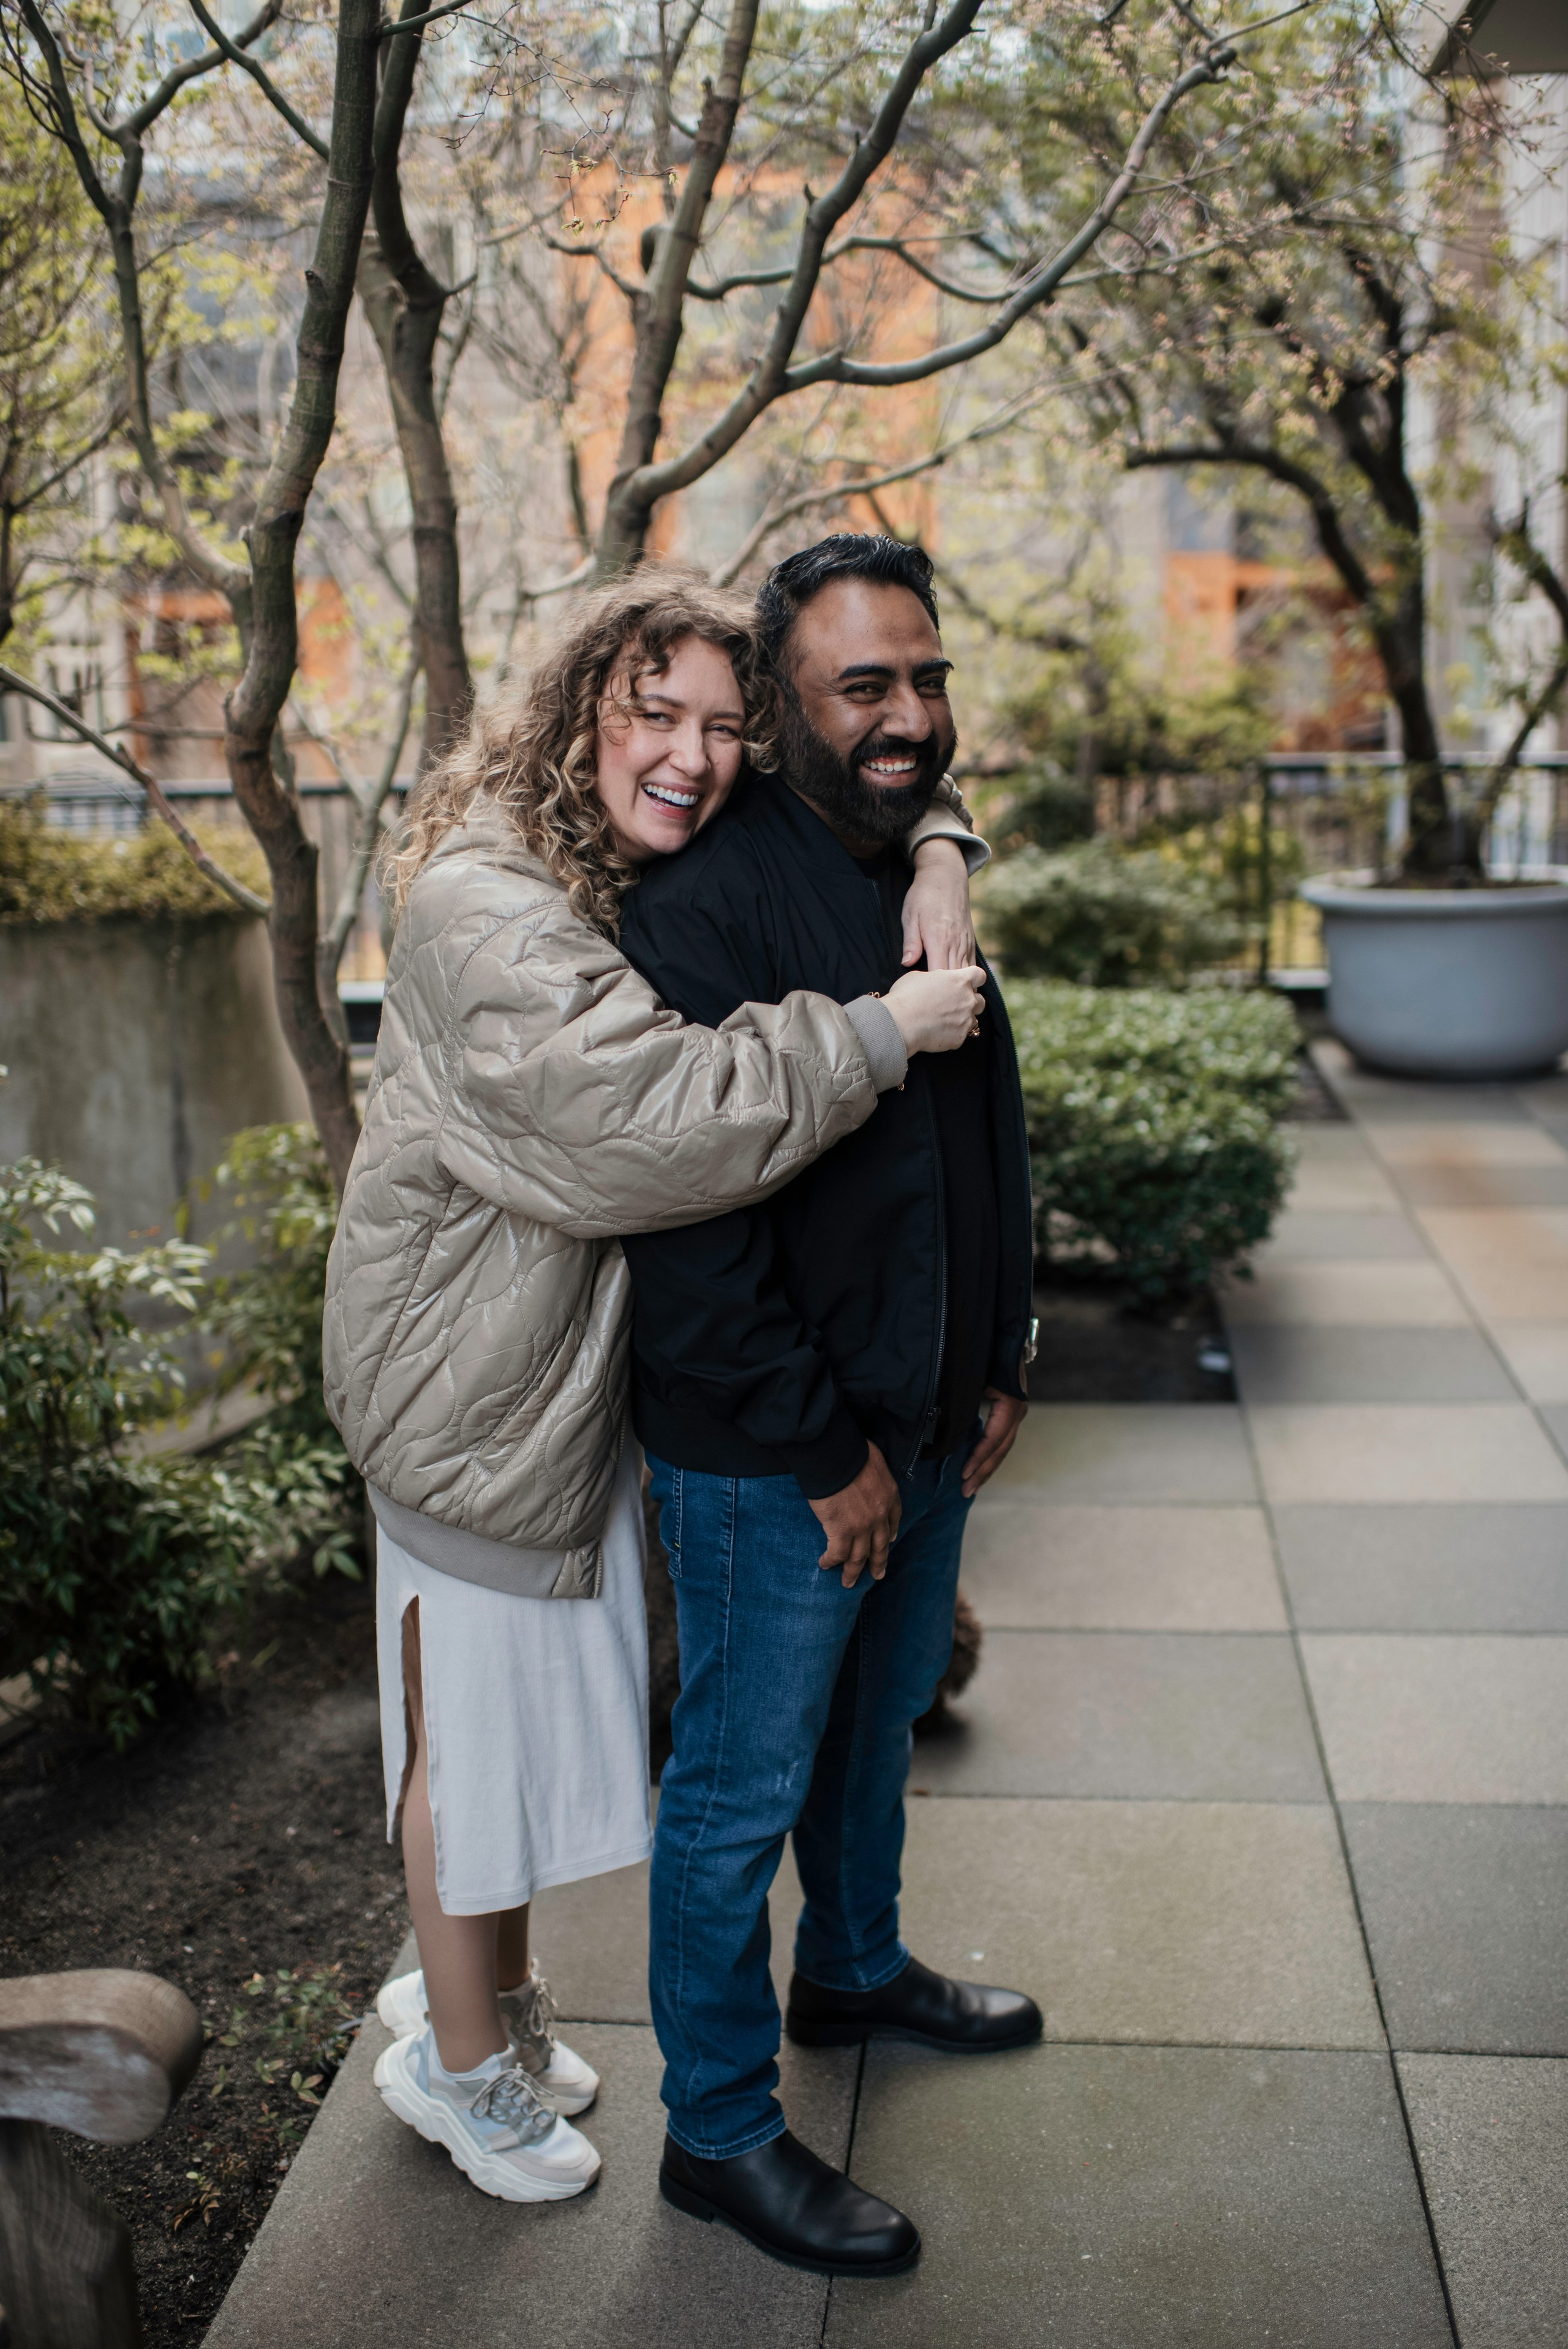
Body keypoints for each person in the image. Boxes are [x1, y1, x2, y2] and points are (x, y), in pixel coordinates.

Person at [322, 570, 989, 2206]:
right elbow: (655, 1124)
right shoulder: (491, 908)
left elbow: (870, 759)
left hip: (534, 1375)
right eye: (654, 714)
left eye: (721, 723)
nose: (694, 753)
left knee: (505, 1733)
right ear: (579, 711)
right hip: (467, 1388)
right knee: (468, 1743)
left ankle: (491, 2013)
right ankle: (461, 2064)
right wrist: (882, 1031)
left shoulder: (589, 853)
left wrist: (941, 845)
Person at [617, 535, 1040, 2279]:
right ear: (784, 705)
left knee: (876, 1735)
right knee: (734, 1794)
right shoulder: (700, 906)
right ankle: (716, 2132)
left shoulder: (921, 868)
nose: (909, 715)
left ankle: (852, 1969)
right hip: (773, 1462)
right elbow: (689, 1229)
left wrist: (1003, 1351)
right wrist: (824, 1451)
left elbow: (984, 1130)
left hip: (929, 1423)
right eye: (864, 685)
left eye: (927, 678)